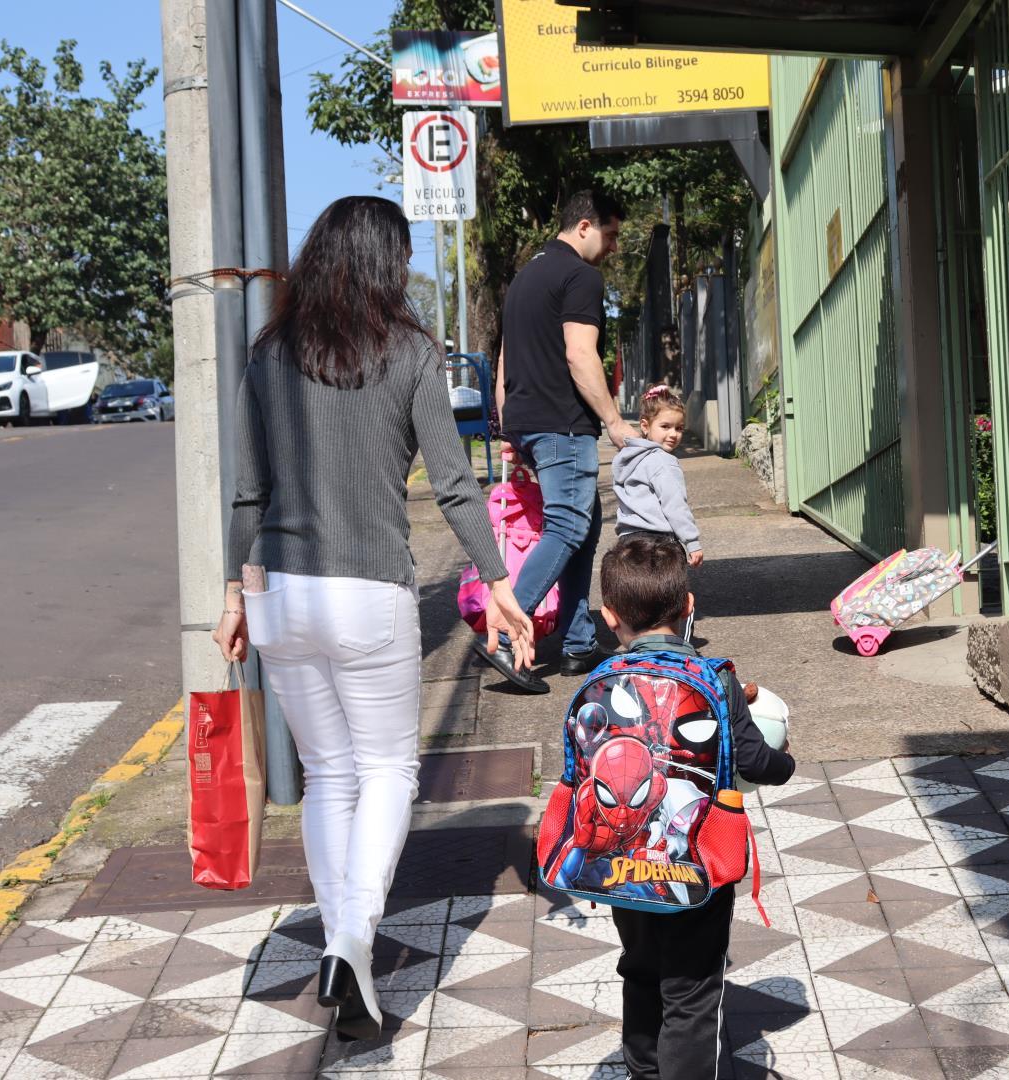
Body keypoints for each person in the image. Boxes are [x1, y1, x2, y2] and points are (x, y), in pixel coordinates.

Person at [211, 195, 533, 1042]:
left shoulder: (270, 354)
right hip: (370, 593)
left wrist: (231, 594)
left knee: (328, 776)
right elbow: (456, 482)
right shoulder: (413, 354)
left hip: (279, 591)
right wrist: (496, 580)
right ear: (388, 266)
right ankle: (354, 937)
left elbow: (247, 490)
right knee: (388, 770)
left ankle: (339, 935)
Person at [595, 535, 795, 1080]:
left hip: (619, 864)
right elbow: (755, 762)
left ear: (611, 617)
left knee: (639, 969)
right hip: (697, 864)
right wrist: (788, 764)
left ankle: (643, 1072)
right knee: (692, 993)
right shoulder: (715, 679)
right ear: (688, 607)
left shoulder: (599, 685)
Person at [490, 189, 639, 693]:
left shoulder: (524, 278)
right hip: (563, 424)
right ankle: (509, 630)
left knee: (584, 527)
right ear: (583, 226)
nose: (613, 246)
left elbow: (505, 363)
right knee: (568, 526)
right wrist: (615, 421)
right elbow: (581, 355)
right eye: (611, 234)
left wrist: (510, 430)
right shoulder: (581, 276)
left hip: (530, 422)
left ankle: (577, 643)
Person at [613, 384, 703, 567]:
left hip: (627, 543)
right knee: (665, 593)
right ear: (645, 426)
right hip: (657, 544)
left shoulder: (627, 458)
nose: (673, 434)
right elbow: (674, 505)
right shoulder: (663, 461)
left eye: (679, 428)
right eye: (665, 426)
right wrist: (691, 541)